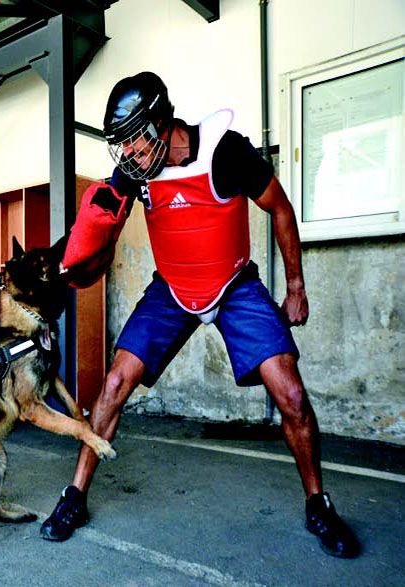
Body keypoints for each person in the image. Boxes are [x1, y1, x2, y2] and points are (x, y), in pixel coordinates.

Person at [40, 72, 360, 558]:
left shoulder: (225, 151)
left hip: (234, 283)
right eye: (121, 145)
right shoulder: (137, 170)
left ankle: (319, 503)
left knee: (292, 395)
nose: (127, 154)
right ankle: (75, 495)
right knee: (114, 383)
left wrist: (295, 287)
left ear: (161, 125)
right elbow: (102, 227)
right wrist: (75, 264)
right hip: (172, 289)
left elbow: (280, 208)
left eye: (133, 140)